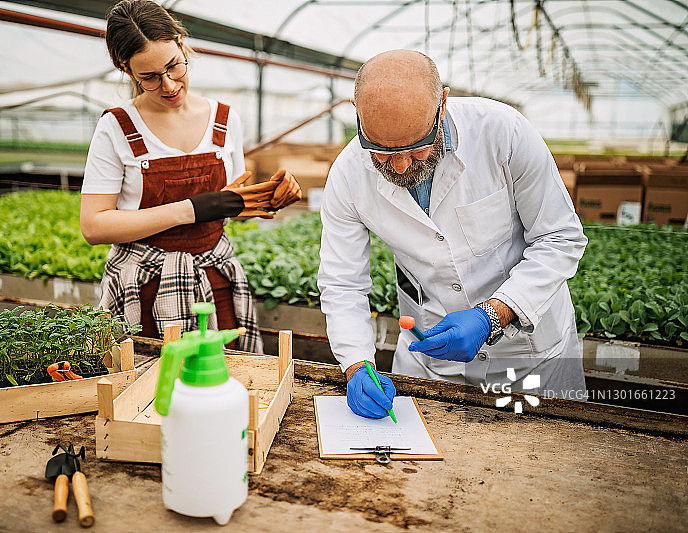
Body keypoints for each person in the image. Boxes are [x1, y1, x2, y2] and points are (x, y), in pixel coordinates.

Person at [317, 50, 588, 419]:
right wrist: (356, 363)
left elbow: (560, 238)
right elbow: (343, 283)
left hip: (529, 358)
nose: (398, 164)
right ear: (356, 112)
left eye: (415, 146)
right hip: (431, 358)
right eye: (379, 149)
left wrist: (493, 315)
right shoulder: (348, 175)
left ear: (442, 104)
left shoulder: (501, 133)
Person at [81, 0, 300, 351]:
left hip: (214, 279)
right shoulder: (117, 128)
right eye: (149, 78)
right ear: (127, 70)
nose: (168, 85)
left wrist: (268, 197)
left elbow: (227, 204)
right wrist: (190, 209)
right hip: (145, 283)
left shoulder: (224, 120)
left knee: (227, 379)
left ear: (182, 44)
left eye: (173, 67)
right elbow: (94, 226)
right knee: (148, 392)